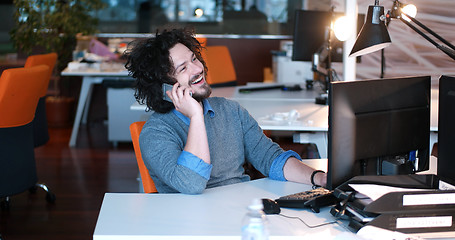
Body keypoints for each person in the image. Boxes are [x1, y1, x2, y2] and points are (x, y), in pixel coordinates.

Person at [124, 27, 326, 194]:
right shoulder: (155, 133)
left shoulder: (230, 110)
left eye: (194, 59)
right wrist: (196, 117)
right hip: (189, 225)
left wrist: (318, 178)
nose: (197, 69)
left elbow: (270, 158)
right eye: (183, 68)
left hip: (240, 212)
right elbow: (192, 184)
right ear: (166, 88)